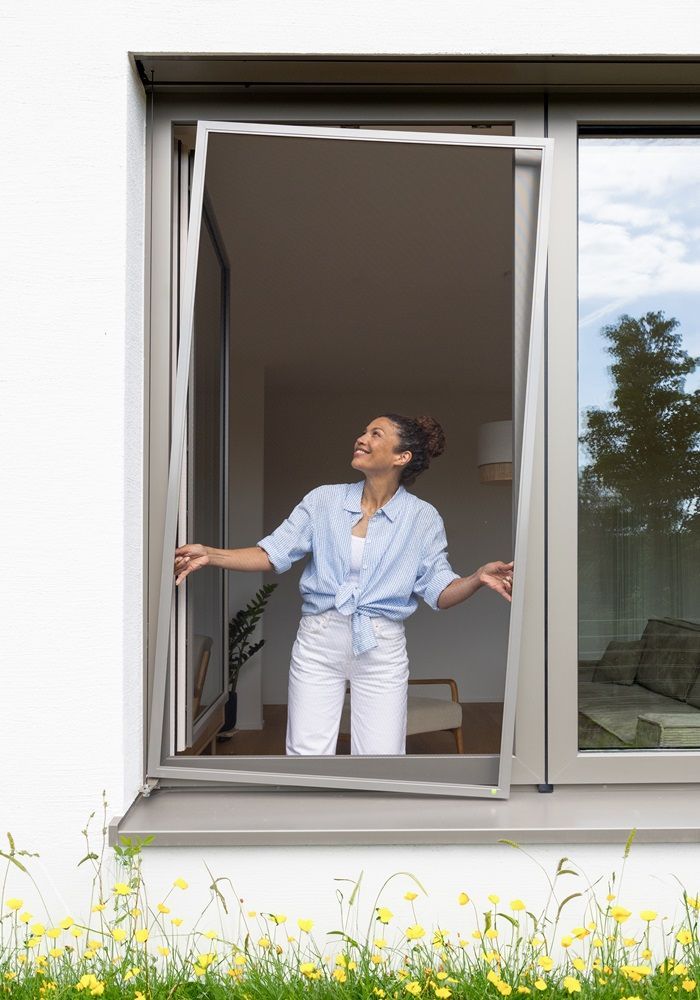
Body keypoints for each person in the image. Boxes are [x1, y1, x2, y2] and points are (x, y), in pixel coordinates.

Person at [174, 413, 513, 757]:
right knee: (306, 754)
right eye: (363, 430)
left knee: (381, 759)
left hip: (381, 648)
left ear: (401, 456)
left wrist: (477, 578)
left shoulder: (422, 518)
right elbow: (271, 553)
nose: (361, 437)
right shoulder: (323, 501)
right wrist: (211, 554)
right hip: (319, 640)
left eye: (375, 433)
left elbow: (439, 592)